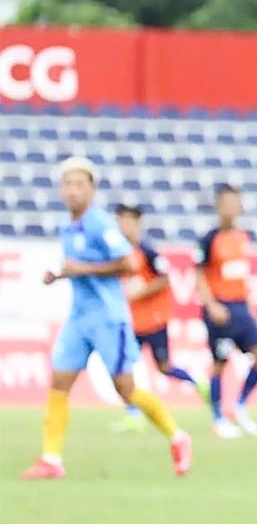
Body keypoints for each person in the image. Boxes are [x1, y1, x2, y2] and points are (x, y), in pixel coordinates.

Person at [20, 158, 192, 479]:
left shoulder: (100, 223)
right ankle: (52, 459)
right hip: (79, 318)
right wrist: (58, 275)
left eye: (79, 184)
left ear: (91, 189)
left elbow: (129, 263)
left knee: (125, 389)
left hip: (108, 318)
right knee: (59, 381)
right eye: (67, 184)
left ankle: (177, 436)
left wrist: (81, 269)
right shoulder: (68, 226)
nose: (72, 191)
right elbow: (78, 266)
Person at [111, 204, 208, 433]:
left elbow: (165, 279)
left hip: (154, 320)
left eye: (129, 221)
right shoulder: (116, 253)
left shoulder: (148, 251)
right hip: (131, 322)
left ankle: (197, 383)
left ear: (138, 224)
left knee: (164, 367)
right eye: (121, 221)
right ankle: (133, 414)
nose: (125, 226)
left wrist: (141, 291)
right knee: (123, 368)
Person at [196, 184, 257, 438]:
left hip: (241, 308)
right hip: (221, 309)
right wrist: (212, 305)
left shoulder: (243, 237)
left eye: (235, 203)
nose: (231, 208)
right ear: (218, 207)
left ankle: (240, 406)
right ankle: (218, 419)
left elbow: (240, 275)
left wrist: (249, 305)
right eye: (226, 203)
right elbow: (199, 274)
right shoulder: (209, 240)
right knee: (219, 364)